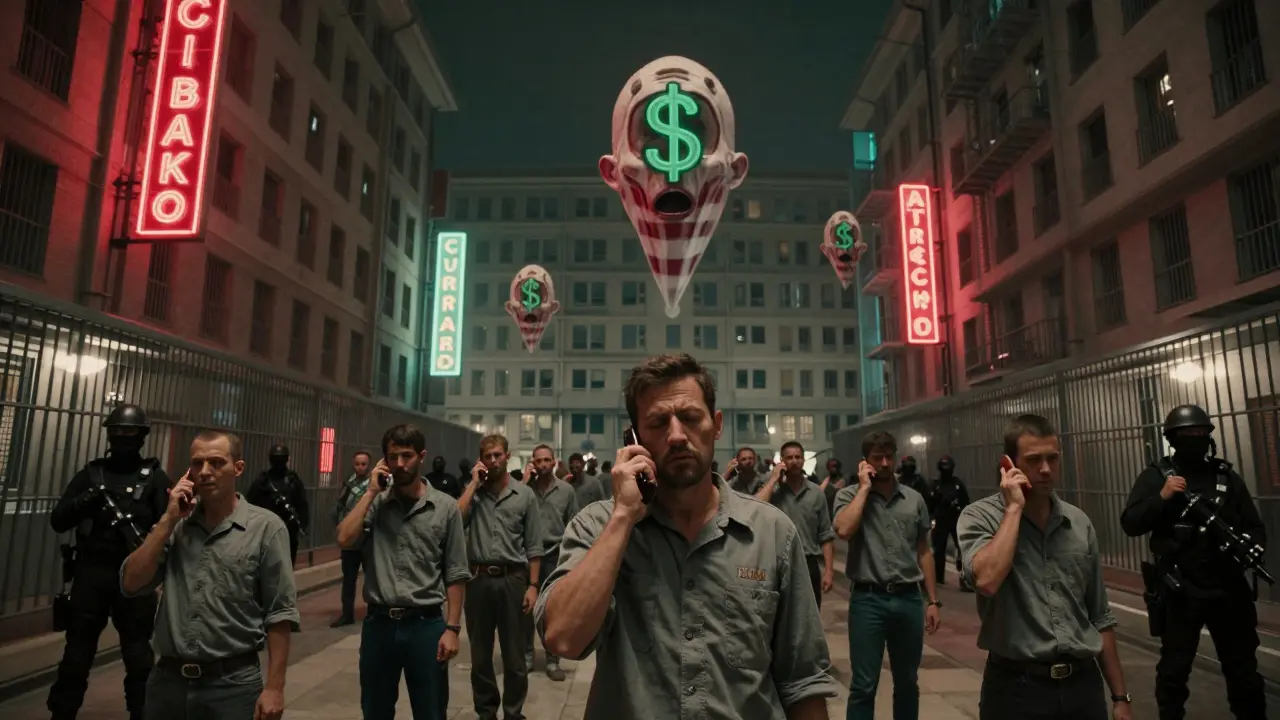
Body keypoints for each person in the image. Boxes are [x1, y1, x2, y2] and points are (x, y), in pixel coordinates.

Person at [536, 353, 839, 719]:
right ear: (633, 438)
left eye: (691, 418)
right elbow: (565, 638)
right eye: (658, 422)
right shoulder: (597, 526)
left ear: (716, 424)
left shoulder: (772, 533)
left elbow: (803, 681)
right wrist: (623, 518)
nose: (677, 436)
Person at [957, 414, 1130, 720]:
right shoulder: (979, 517)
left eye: (1053, 458)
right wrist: (1014, 508)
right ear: (1009, 464)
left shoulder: (1078, 523)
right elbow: (986, 580)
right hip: (1016, 688)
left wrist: (1120, 698)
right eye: (1034, 460)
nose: (1046, 469)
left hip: (1082, 687)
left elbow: (1100, 616)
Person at [120, 429, 297, 720]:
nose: (205, 472)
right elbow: (131, 583)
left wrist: (275, 687)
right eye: (197, 464)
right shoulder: (176, 526)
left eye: (216, 463)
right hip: (168, 682)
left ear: (237, 468)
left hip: (232, 685)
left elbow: (280, 612)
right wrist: (167, 521)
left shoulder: (266, 528)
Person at [1120, 404, 1266, 720]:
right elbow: (1131, 522)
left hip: (1227, 588)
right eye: (1187, 435)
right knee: (1174, 670)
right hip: (1181, 589)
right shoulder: (1157, 476)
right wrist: (1161, 497)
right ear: (1173, 438)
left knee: (1244, 672)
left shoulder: (1225, 477)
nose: (1195, 439)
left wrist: (1249, 547)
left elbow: (1254, 527)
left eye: (1200, 434)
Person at [336, 424, 469, 720]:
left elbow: (456, 572)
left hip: (426, 625)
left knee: (431, 711)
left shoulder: (445, 508)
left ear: (421, 456)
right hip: (379, 624)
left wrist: (453, 629)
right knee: (375, 710)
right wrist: (370, 492)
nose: (400, 464)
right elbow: (345, 539)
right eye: (393, 457)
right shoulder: (377, 502)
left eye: (407, 456)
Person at [48, 404, 172, 720]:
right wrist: (85, 501)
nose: (121, 438)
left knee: (138, 655)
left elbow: (170, 528)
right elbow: (59, 520)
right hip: (92, 574)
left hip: (135, 577)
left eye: (128, 432)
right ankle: (63, 713)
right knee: (76, 654)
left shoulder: (155, 478)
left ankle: (141, 713)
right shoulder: (91, 475)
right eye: (116, 432)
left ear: (142, 436)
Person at [832, 431, 941, 720]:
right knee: (864, 685)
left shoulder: (914, 499)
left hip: (908, 600)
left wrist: (933, 601)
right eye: (877, 458)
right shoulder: (848, 496)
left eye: (888, 457)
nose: (884, 463)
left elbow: (924, 551)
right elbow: (843, 529)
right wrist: (864, 489)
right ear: (865, 462)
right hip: (868, 601)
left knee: (907, 682)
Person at [456, 434, 544, 720]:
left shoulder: (525, 495)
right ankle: (486, 712)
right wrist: (473, 484)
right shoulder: (475, 494)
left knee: (515, 657)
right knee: (480, 656)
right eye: (487, 456)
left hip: (513, 580)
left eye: (497, 455)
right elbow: (455, 521)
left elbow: (534, 546)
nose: (493, 461)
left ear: (508, 456)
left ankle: (513, 712)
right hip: (479, 580)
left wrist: (533, 586)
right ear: (480, 460)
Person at [754, 440, 836, 607]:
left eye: (798, 457)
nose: (794, 461)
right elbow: (755, 508)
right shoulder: (773, 492)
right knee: (778, 619)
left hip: (809, 564)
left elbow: (825, 535)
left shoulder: (816, 493)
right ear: (782, 461)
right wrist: (774, 479)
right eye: (789, 457)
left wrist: (828, 571)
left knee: (810, 618)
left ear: (804, 460)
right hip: (778, 564)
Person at [523, 444, 579, 680]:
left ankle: (552, 659)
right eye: (538, 461)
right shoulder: (525, 491)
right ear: (532, 463)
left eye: (547, 460)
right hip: (527, 556)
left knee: (552, 610)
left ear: (554, 461)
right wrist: (525, 482)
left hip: (555, 555)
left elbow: (573, 524)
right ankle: (526, 656)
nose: (543, 464)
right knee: (526, 608)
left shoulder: (566, 491)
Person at [246, 444, 310, 567]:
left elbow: (302, 504)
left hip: (287, 530)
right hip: (266, 529)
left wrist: (301, 525)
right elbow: (251, 503)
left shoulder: (291, 480)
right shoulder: (263, 481)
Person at [330, 450, 372, 627]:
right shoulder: (349, 484)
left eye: (364, 464)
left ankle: (373, 613)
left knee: (371, 579)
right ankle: (347, 613)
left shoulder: (374, 485)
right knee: (348, 579)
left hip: (368, 537)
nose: (361, 467)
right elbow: (339, 507)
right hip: (350, 540)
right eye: (358, 464)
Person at [927, 456, 971, 590]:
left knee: (963, 548)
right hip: (941, 520)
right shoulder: (935, 486)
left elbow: (966, 503)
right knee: (939, 550)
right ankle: (938, 577)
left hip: (956, 519)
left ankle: (965, 578)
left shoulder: (957, 485)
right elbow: (929, 504)